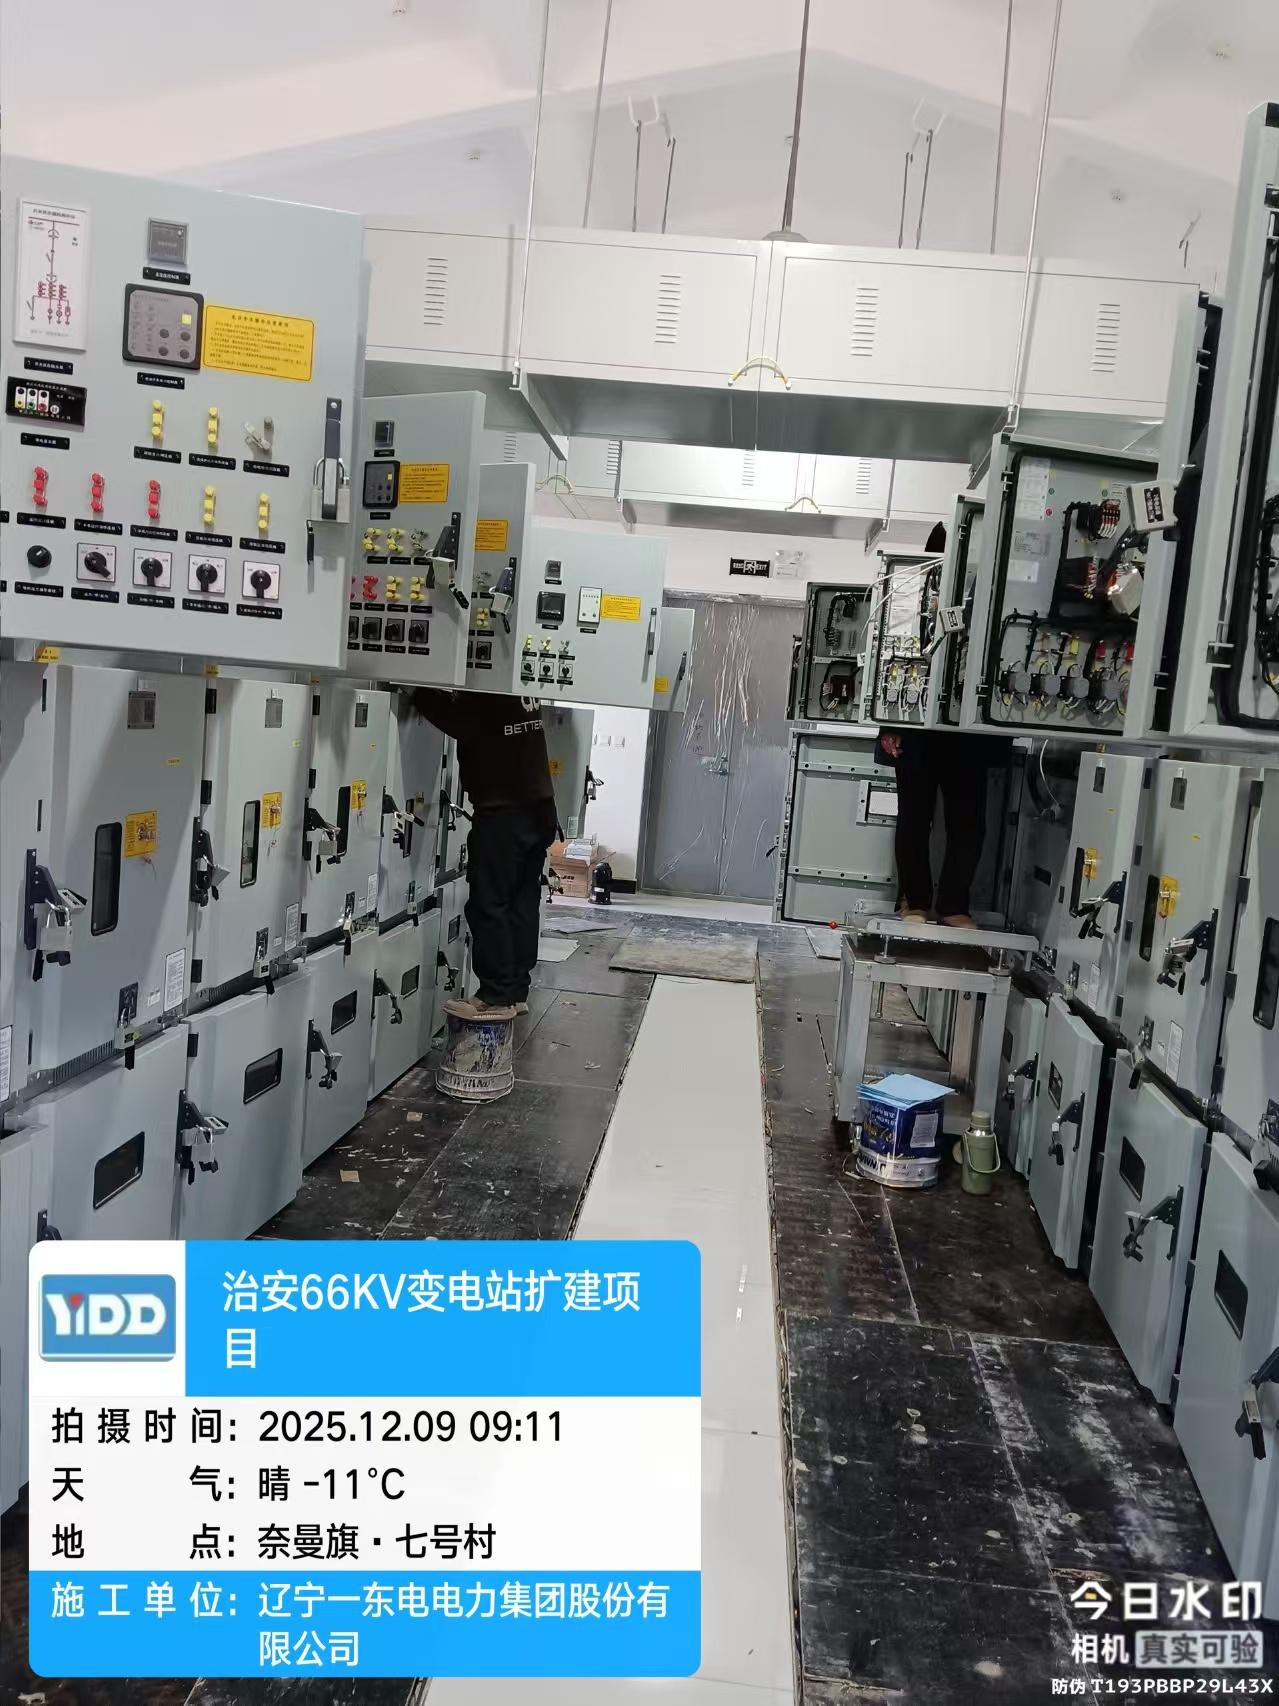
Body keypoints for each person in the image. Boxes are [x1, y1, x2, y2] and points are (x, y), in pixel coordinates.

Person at [876, 522, 1009, 927]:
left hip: (970, 724)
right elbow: (891, 654)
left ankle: (953, 905)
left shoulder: (997, 590)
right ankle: (914, 901)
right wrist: (889, 723)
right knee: (914, 818)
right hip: (917, 720)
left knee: (968, 823)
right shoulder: (911, 592)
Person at [411, 689, 558, 1020]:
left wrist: (418, 690)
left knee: (489, 903)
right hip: (539, 805)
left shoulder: (486, 680)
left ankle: (495, 995)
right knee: (522, 900)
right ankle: (515, 990)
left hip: (504, 810)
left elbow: (461, 722)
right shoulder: (515, 679)